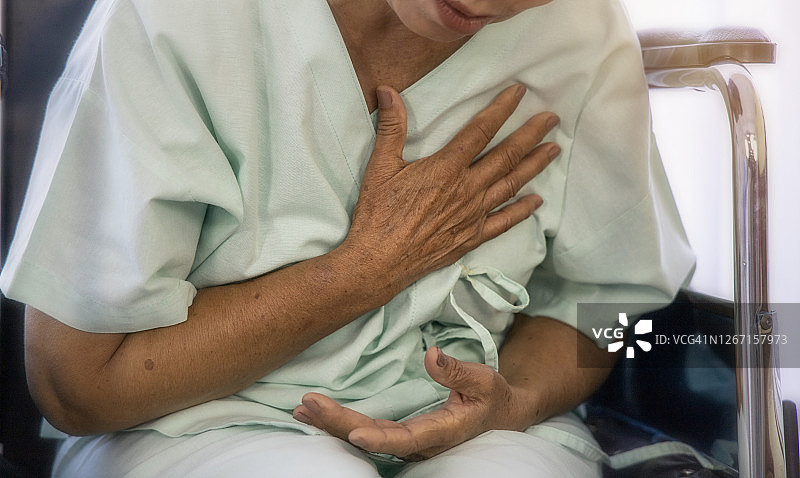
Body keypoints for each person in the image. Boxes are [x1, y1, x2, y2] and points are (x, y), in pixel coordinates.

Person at [0, 0, 695, 476]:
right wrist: (361, 272)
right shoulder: (179, 21)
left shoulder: (585, 34)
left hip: (484, 431)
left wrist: (514, 400)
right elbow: (75, 388)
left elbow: (609, 311)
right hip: (189, 428)